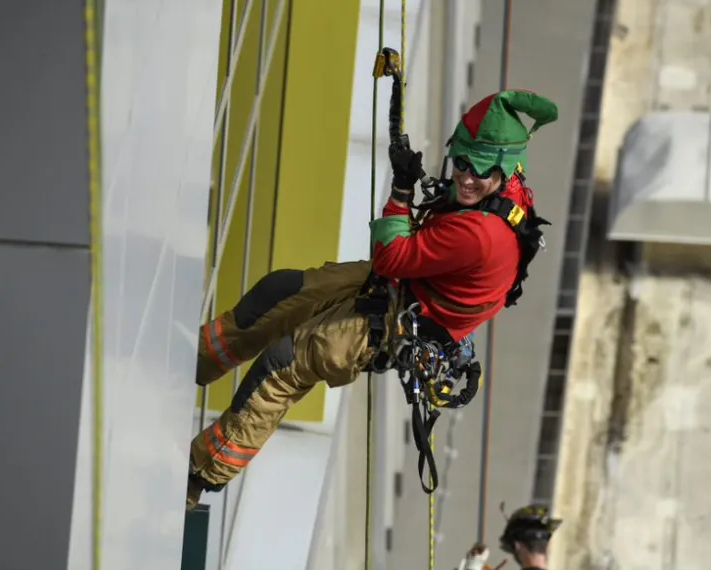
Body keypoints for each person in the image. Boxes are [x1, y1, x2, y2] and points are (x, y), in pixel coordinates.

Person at [185, 90, 559, 510]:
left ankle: (199, 476)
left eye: (481, 169)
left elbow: (391, 256)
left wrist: (401, 191)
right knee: (281, 291)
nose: (466, 178)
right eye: (461, 162)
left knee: (283, 364)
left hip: (405, 317)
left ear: (505, 168)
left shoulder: (481, 234)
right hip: (406, 288)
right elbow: (429, 232)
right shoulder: (507, 189)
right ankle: (192, 361)